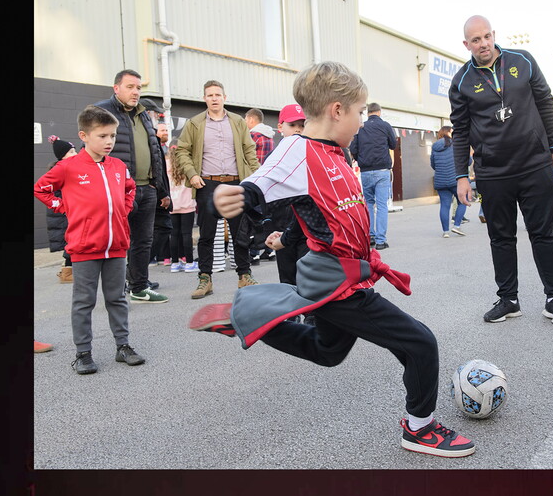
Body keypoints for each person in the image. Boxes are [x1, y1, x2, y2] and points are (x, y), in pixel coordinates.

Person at [191, 61, 476, 458]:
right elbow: (261, 185)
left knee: (328, 352)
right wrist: (236, 195)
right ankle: (420, 429)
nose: (362, 122)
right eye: (359, 112)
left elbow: (322, 210)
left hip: (346, 276)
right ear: (337, 110)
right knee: (420, 343)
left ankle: (245, 319)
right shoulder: (297, 148)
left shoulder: (337, 151)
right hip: (338, 283)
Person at [449, 15, 553, 326]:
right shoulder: (461, 81)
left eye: (487, 37)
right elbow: (460, 130)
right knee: (501, 238)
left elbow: (546, 103)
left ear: (494, 35)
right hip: (493, 173)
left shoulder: (523, 60)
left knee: (542, 235)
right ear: (467, 44)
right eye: (475, 40)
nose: (483, 44)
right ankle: (509, 299)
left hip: (535, 165)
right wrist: (461, 176)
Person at [34, 105, 146, 374]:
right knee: (84, 301)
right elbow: (41, 188)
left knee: (117, 298)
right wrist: (64, 207)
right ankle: (83, 353)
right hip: (84, 248)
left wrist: (124, 209)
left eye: (112, 136)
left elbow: (130, 189)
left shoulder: (119, 166)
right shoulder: (68, 167)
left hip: (117, 245)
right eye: (102, 136)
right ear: (84, 136)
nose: (109, 142)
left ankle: (123, 346)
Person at [175, 80, 262, 298]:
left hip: (235, 182)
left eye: (217, 94)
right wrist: (192, 174)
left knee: (239, 232)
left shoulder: (237, 122)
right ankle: (205, 278)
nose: (214, 98)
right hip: (207, 183)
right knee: (206, 234)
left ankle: (245, 276)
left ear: (225, 97)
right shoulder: (195, 124)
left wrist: (256, 178)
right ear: (204, 98)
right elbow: (182, 151)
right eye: (210, 95)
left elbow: (249, 150)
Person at [93, 69, 170, 304]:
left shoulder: (144, 115)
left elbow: (154, 151)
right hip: (118, 189)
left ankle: (139, 287)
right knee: (115, 241)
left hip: (147, 188)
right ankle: (115, 292)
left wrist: (161, 188)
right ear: (116, 88)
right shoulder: (101, 111)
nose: (135, 91)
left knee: (143, 240)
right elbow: (92, 150)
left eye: (138, 87)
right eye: (130, 87)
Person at [269, 103, 311, 289]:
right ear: (280, 127)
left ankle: (311, 316)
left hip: (306, 229)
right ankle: (292, 315)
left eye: (302, 126)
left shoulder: (312, 154)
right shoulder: (274, 156)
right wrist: (267, 226)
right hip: (282, 228)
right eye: (293, 125)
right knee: (287, 280)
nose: (298, 130)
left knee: (307, 277)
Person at [349, 102, 397, 250]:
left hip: (365, 171)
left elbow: (353, 148)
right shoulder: (385, 126)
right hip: (382, 170)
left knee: (369, 204)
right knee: (381, 205)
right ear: (379, 112)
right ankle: (381, 241)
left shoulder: (361, 127)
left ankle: (370, 236)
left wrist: (360, 158)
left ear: (367, 112)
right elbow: (393, 144)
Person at [245, 108, 277, 263]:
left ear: (252, 119)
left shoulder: (253, 135)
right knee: (266, 216)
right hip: (268, 181)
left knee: (252, 218)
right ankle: (269, 249)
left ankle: (254, 251)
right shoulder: (269, 136)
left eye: (246, 120)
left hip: (254, 179)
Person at [46, 135, 78, 283]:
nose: (75, 154)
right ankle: (67, 273)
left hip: (70, 212)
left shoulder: (69, 168)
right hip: (64, 214)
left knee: (72, 241)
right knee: (70, 242)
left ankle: (70, 270)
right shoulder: (60, 171)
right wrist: (62, 206)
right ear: (62, 156)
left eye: (74, 151)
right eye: (71, 152)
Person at [430, 126, 467, 238]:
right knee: (462, 201)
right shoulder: (455, 144)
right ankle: (456, 225)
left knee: (444, 206)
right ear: (449, 133)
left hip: (441, 180)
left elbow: (433, 164)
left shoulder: (435, 146)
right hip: (455, 179)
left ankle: (446, 231)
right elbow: (467, 161)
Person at [167, 141, 198, 273]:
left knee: (174, 234)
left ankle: (174, 262)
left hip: (173, 204)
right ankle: (189, 262)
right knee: (186, 234)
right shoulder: (187, 164)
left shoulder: (166, 164)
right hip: (187, 204)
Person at [151, 121, 173, 267]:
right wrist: (163, 193)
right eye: (163, 130)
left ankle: (137, 275)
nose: (165, 132)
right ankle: (135, 272)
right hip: (155, 195)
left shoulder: (158, 144)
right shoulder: (151, 141)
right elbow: (155, 169)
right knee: (162, 227)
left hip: (157, 192)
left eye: (166, 130)